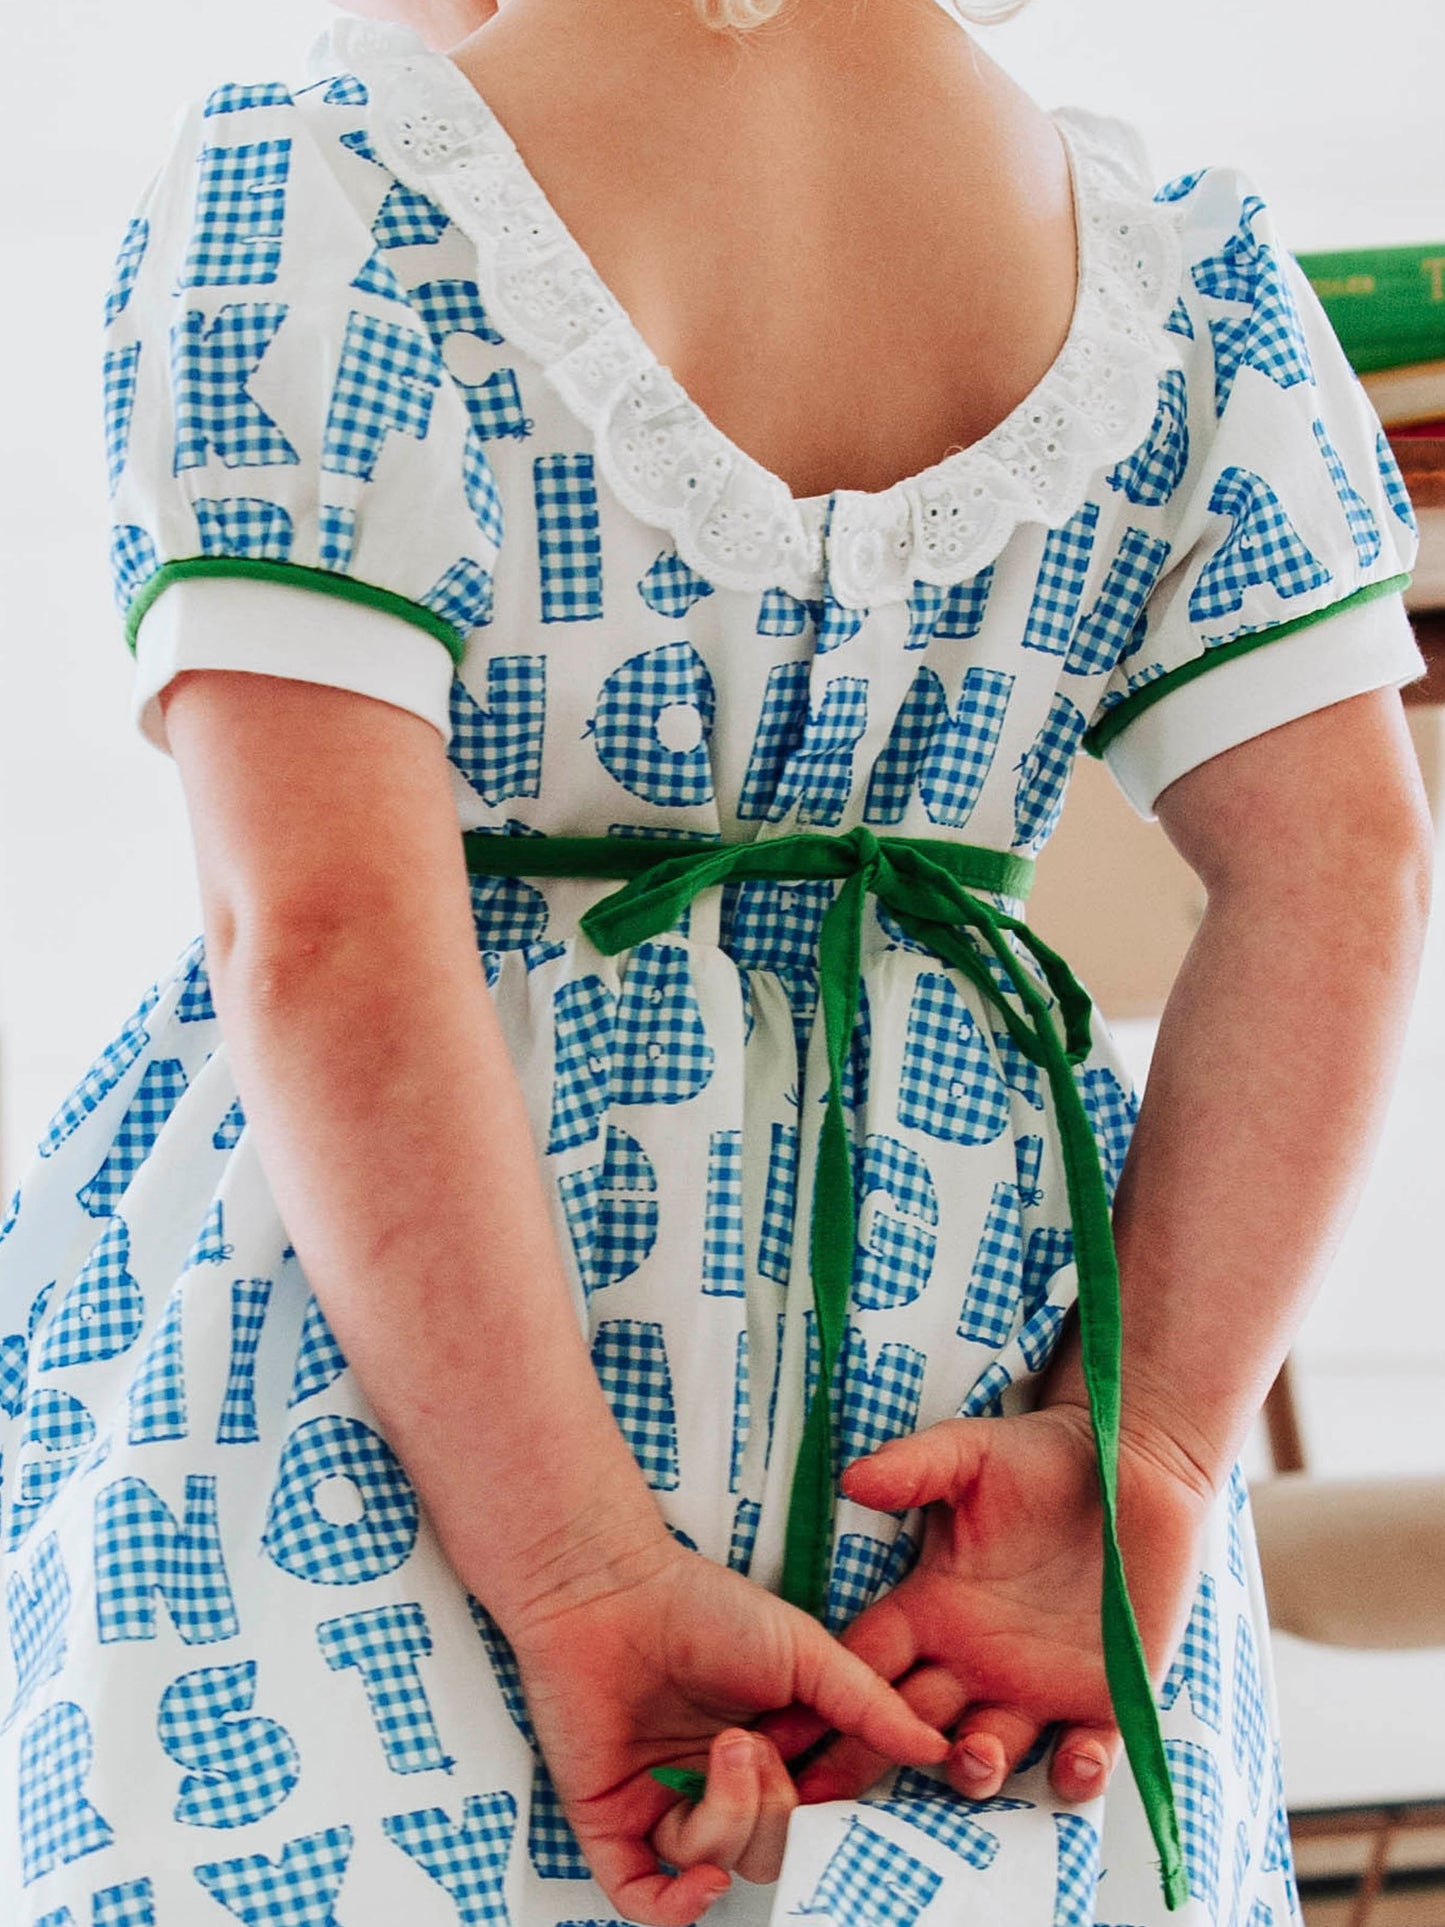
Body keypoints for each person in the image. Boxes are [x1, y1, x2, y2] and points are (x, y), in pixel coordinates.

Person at [0, 0, 1433, 1920]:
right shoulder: (1178, 269)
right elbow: (1345, 868)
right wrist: (1143, 1441)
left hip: (419, 1352)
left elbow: (324, 928)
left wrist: (573, 1562)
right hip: (956, 1339)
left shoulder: (320, 192)